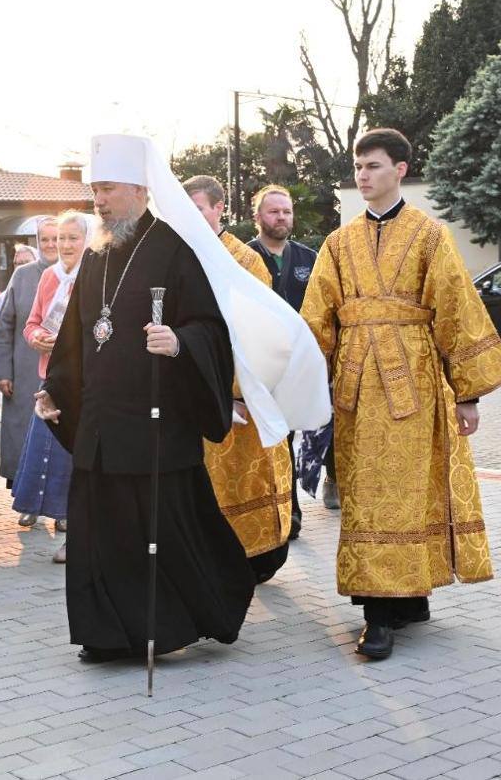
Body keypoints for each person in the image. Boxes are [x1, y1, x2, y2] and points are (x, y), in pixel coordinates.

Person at [36, 134, 328, 663]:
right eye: (95, 190)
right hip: (102, 422)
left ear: (140, 189)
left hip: (156, 423)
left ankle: (178, 620)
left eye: (107, 189)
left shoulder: (175, 248)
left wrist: (180, 341)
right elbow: (79, 336)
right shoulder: (98, 255)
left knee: (165, 531)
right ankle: (106, 634)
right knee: (102, 533)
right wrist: (55, 390)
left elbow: (212, 329)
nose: (97, 201)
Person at [301, 128, 501, 660]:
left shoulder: (429, 235)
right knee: (366, 495)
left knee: (409, 491)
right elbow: (314, 321)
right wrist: (297, 384)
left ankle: (400, 603)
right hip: (354, 389)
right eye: (358, 167)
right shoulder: (338, 242)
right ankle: (382, 607)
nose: (363, 175)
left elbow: (457, 311)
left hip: (414, 388)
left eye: (373, 166)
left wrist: (468, 395)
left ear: (400, 170)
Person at [185, 175, 292, 583]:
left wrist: (239, 393)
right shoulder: (177, 255)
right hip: (189, 394)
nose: (190, 218)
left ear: (218, 210)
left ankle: (256, 559)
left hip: (235, 394)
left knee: (245, 481)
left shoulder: (244, 260)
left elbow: (256, 333)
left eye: (197, 209)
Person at [14, 211, 95, 561]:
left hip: (88, 379)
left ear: (89, 240)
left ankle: (76, 533)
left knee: (79, 460)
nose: (64, 245)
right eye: (60, 238)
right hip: (54, 378)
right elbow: (31, 323)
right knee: (51, 453)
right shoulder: (49, 276)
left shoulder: (96, 274)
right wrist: (38, 338)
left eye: (72, 238)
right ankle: (53, 517)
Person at [242, 184, 321, 528]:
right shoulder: (243, 258)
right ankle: (271, 510)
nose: (281, 217)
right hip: (260, 364)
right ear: (257, 217)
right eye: (274, 211)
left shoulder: (308, 258)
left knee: (291, 434)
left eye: (287, 211)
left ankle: (291, 510)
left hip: (298, 365)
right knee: (268, 438)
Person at [0, 217, 57, 487]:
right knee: (25, 436)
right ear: (37, 242)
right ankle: (27, 500)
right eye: (46, 239)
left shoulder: (81, 272)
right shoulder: (23, 275)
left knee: (61, 439)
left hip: (65, 373)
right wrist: (3, 372)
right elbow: (5, 326)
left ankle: (60, 506)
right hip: (25, 370)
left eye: (58, 238)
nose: (52, 244)